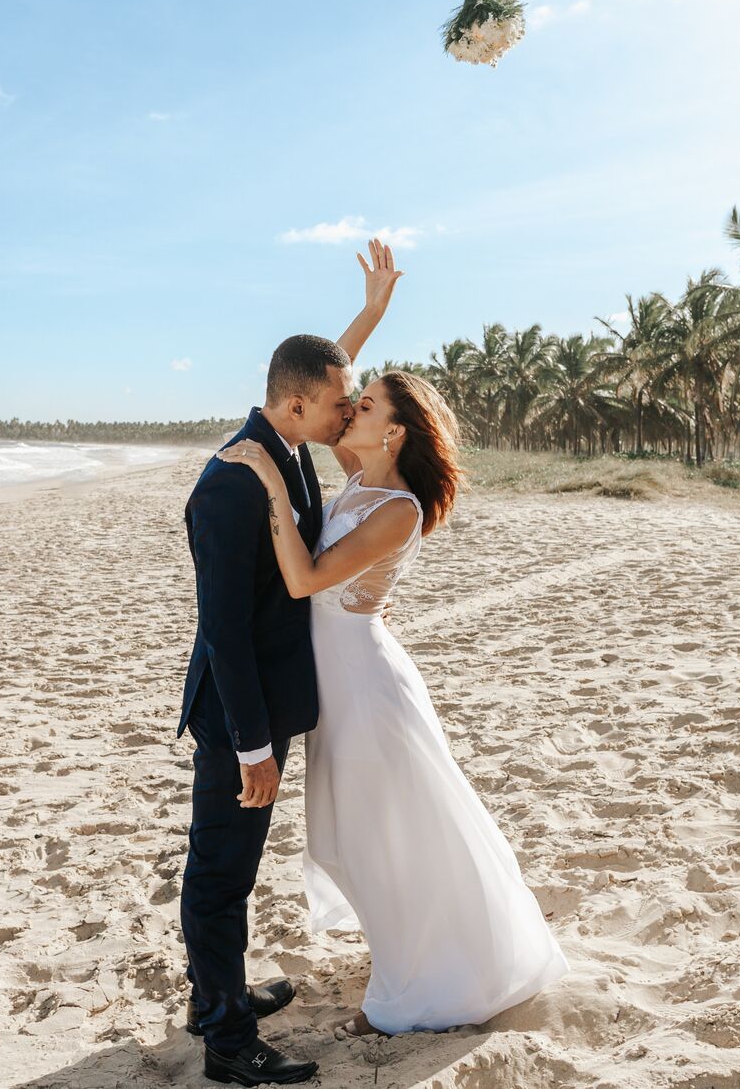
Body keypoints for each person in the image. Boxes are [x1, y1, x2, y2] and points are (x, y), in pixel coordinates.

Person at [219, 361, 571, 1040]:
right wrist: (371, 309)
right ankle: (408, 951)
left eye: (369, 405)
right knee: (356, 834)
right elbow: (314, 397)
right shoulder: (358, 472)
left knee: (386, 832)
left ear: (396, 431)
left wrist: (267, 480)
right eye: (356, 403)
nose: (352, 412)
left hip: (365, 685)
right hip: (341, 682)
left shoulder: (398, 510)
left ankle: (415, 985)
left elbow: (301, 580)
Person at [178, 239, 403, 1086]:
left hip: (272, 701)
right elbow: (224, 633)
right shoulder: (233, 482)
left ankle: (215, 995)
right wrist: (252, 748)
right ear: (299, 405)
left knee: (227, 867)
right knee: (220, 874)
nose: (349, 415)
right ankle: (226, 1040)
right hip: (240, 715)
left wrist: (373, 313)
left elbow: (335, 377)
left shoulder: (287, 444)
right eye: (338, 406)